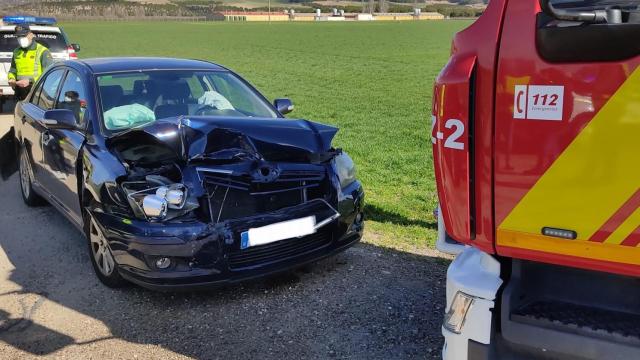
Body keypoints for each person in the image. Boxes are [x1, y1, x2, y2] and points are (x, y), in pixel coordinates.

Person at [7, 25, 53, 101]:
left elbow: (49, 74)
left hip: (38, 93)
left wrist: (30, 81)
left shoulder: (43, 51)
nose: (21, 39)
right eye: (18, 37)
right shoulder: (16, 51)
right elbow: (13, 70)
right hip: (21, 93)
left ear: (31, 35)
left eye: (23, 36)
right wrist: (11, 78)